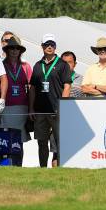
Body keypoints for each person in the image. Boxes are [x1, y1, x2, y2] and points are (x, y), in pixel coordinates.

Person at [28, 33, 71, 167]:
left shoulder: (62, 64)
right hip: (40, 110)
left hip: (56, 110)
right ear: (42, 47)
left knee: (59, 141)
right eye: (47, 44)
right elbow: (33, 88)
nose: (49, 47)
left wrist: (62, 107)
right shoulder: (37, 65)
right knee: (41, 142)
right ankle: (42, 168)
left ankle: (61, 169)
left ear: (55, 46)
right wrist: (31, 108)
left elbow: (67, 86)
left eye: (52, 44)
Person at [0, 37, 32, 166]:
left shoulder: (26, 66)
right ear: (7, 50)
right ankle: (4, 165)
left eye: (17, 48)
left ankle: (18, 166)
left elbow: (31, 87)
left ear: (20, 51)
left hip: (22, 108)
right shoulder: (1, 65)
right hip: (6, 107)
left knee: (19, 140)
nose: (14, 51)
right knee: (4, 138)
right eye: (11, 48)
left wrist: (31, 108)